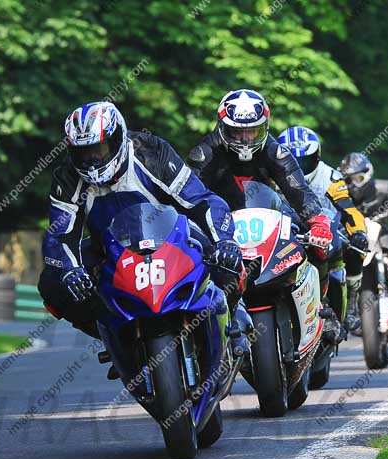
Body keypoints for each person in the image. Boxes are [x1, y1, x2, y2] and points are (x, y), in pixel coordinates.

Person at [39, 101, 252, 355]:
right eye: (83, 153)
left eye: (99, 149)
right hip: (110, 250)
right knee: (51, 283)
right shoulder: (68, 176)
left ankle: (234, 314)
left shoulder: (149, 151)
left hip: (173, 237)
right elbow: (59, 235)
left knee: (220, 252)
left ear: (118, 138)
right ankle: (116, 336)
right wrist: (70, 271)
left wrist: (224, 240)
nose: (92, 160)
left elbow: (200, 200)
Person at [187, 90, 333, 261]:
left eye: (252, 131)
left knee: (319, 247)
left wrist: (318, 222)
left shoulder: (276, 152)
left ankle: (319, 284)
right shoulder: (205, 153)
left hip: (267, 213)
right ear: (222, 128)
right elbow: (188, 195)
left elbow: (298, 189)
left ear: (265, 126)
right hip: (220, 222)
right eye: (236, 132)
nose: (245, 139)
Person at [277, 126, 369, 333]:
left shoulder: (330, 177)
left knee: (353, 250)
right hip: (283, 230)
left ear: (316, 157)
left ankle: (346, 306)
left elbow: (348, 209)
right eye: (293, 162)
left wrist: (359, 233)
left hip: (324, 229)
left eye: (305, 161)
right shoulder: (271, 173)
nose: (299, 168)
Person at [338, 152, 388, 328]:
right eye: (348, 180)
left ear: (368, 175)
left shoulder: (383, 188)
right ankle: (342, 310)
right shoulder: (340, 192)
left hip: (380, 232)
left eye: (358, 178)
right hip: (351, 236)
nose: (353, 184)